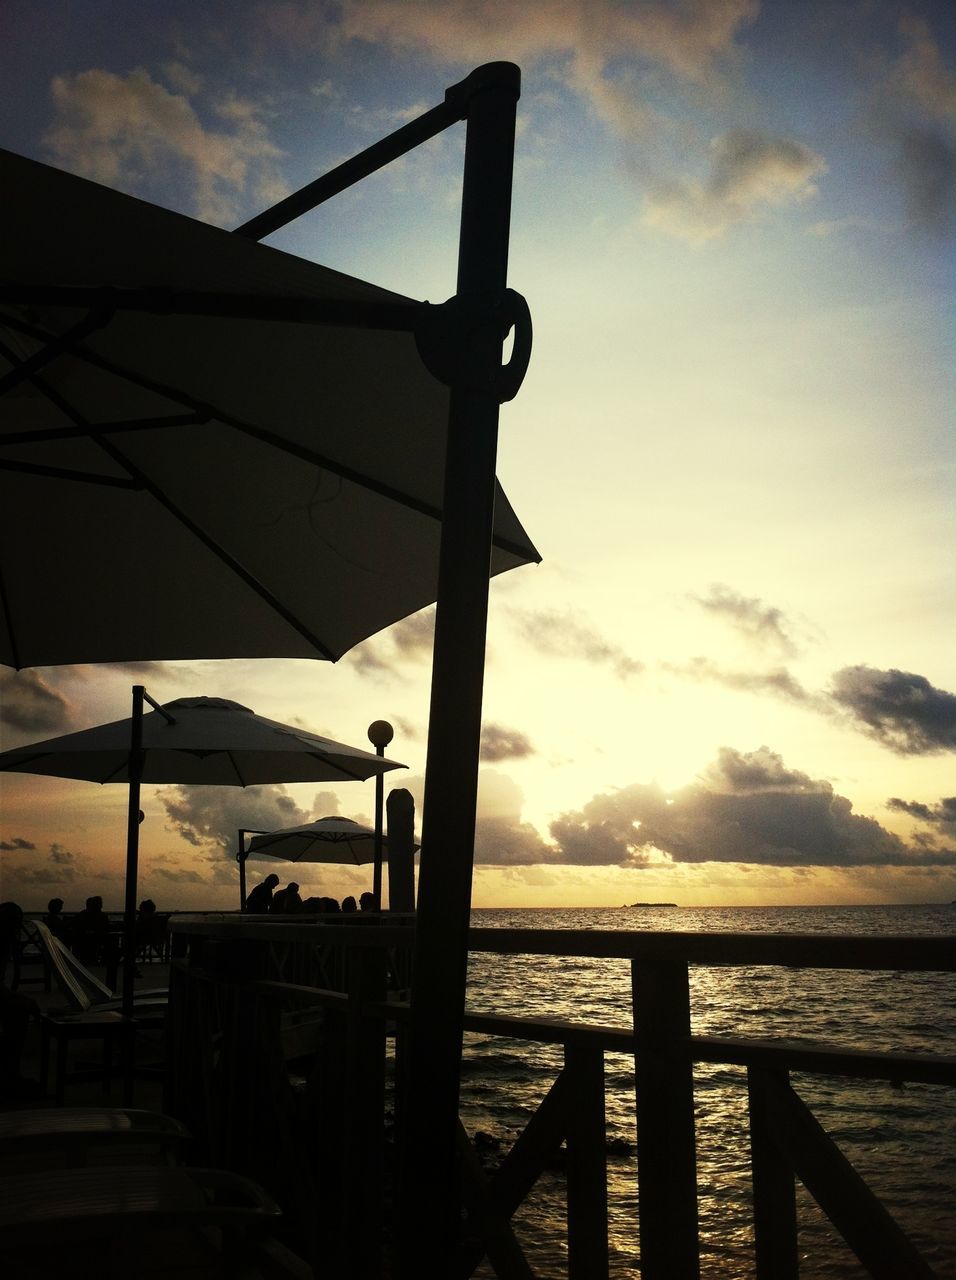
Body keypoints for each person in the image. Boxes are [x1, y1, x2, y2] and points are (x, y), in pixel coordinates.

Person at [71, 894, 110, 964]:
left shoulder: (84, 914)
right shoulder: (100, 916)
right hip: (91, 939)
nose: (101, 905)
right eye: (99, 904)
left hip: (90, 939)